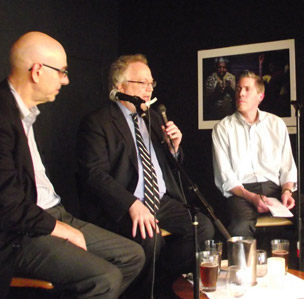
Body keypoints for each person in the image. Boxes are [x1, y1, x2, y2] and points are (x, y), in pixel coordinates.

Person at [0, 31, 144, 299]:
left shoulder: (22, 114)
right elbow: (6, 208)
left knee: (133, 255)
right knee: (104, 277)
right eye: (62, 71)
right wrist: (62, 230)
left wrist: (61, 224)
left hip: (50, 214)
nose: (66, 80)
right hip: (11, 236)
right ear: (37, 71)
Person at [77, 54, 215, 298]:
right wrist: (132, 204)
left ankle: (159, 279)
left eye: (151, 83)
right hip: (123, 203)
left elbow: (167, 165)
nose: (149, 89)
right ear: (120, 86)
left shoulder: (150, 118)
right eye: (142, 83)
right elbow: (94, 174)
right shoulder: (98, 122)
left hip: (159, 200)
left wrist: (174, 148)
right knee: (149, 237)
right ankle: (143, 291)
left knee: (202, 226)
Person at [212, 70, 304, 272]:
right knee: (239, 228)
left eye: (247, 89)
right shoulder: (222, 128)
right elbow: (225, 177)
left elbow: (287, 167)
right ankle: (245, 281)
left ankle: (289, 271)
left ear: (260, 96)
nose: (240, 93)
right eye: (238, 89)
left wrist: (287, 191)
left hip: (275, 189)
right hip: (242, 192)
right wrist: (251, 197)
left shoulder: (276, 124)